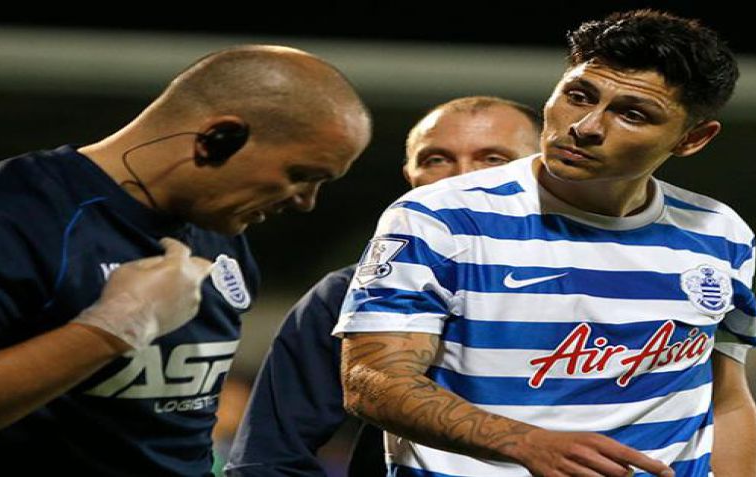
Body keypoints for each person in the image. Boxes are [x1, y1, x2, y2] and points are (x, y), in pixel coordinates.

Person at [335, 10, 756, 477]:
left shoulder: (720, 233)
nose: (586, 126)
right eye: (578, 96)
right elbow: (373, 381)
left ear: (692, 138)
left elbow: (726, 400)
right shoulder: (439, 217)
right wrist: (524, 443)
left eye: (632, 114)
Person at [0, 45, 371, 475]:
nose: (306, 202)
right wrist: (111, 328)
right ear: (218, 138)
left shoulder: (219, 234)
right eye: (300, 175)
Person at [226, 96, 542, 477]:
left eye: (493, 159)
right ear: (409, 176)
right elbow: (268, 459)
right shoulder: (346, 295)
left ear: (542, 169)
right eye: (436, 160)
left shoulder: (606, 279)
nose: (461, 177)